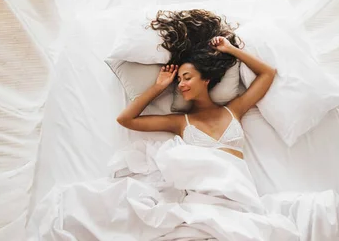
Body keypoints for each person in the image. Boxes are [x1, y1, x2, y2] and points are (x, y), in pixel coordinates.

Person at [116, 10, 276, 160]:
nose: (181, 85)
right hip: (201, 188)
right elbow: (126, 119)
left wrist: (231, 49)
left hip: (238, 186)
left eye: (187, 77)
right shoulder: (180, 122)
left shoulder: (234, 110)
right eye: (178, 80)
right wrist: (158, 87)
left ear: (205, 79)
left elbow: (268, 73)